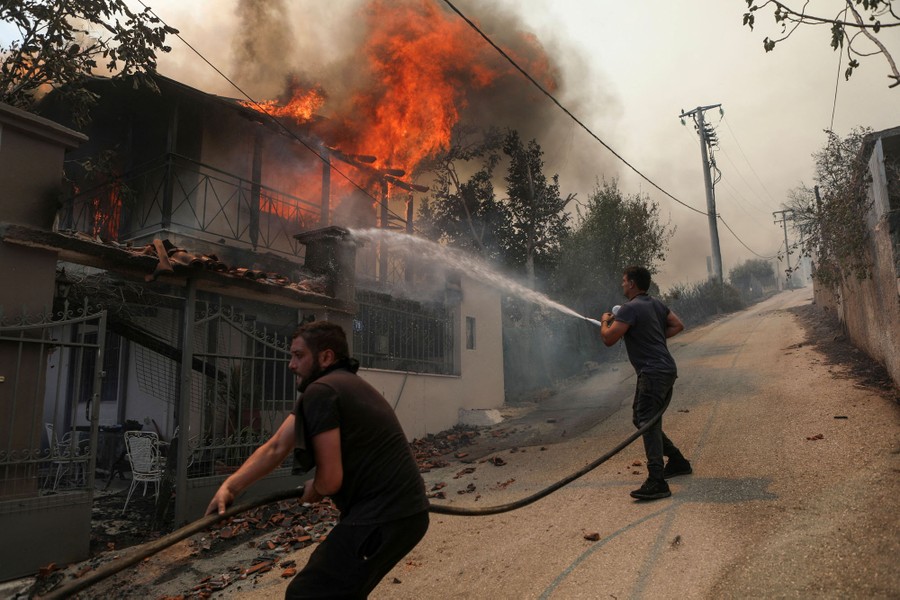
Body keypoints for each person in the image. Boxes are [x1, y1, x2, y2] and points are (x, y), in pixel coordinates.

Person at [206, 320, 429, 599]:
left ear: (326, 357)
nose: (291, 364)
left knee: (306, 593)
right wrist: (231, 487)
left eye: (299, 355)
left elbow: (331, 479)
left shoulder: (323, 391)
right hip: (401, 514)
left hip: (385, 515)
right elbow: (277, 446)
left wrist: (317, 487)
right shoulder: (337, 386)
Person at [599, 266, 692, 500]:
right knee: (642, 419)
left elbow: (609, 339)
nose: (622, 284)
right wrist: (655, 337)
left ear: (631, 283)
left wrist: (605, 322)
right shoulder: (656, 304)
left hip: (652, 372)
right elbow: (677, 325)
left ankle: (657, 480)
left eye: (623, 281)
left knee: (646, 421)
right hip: (666, 369)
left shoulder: (629, 309)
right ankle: (678, 461)